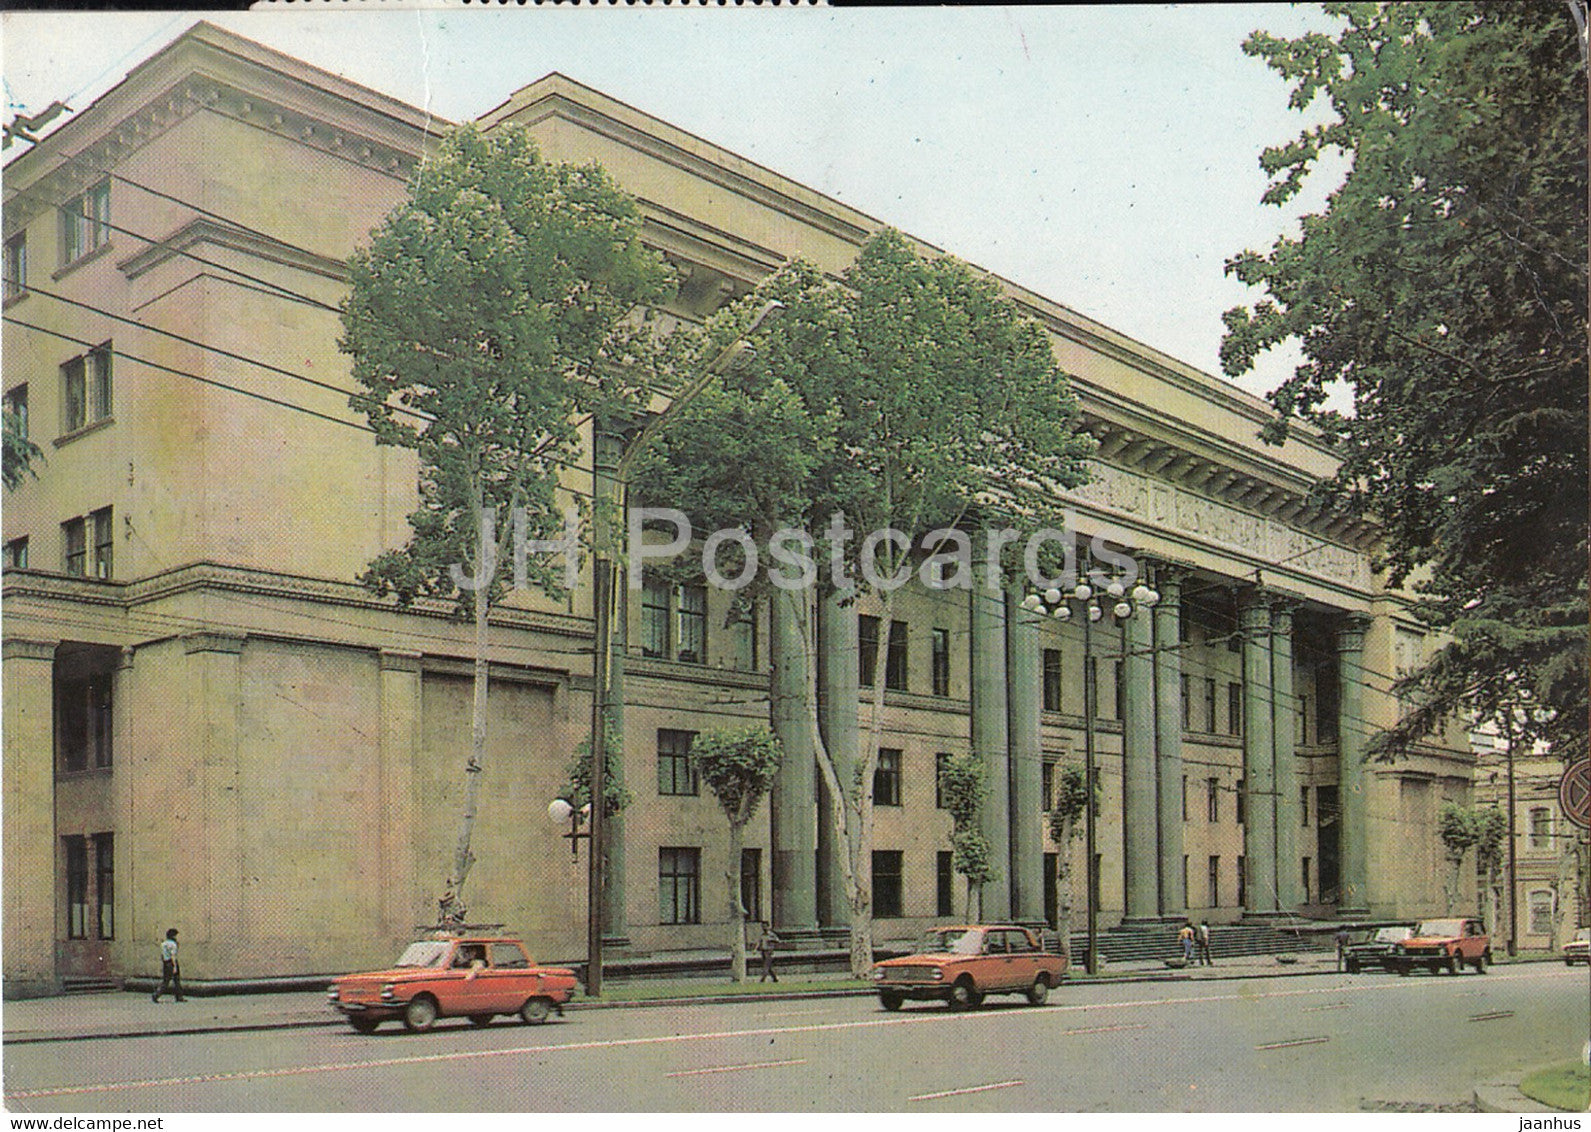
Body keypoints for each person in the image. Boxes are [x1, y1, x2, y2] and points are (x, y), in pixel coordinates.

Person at [152, 928, 184, 1002]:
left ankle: (178, 996)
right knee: (175, 980)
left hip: (166, 962)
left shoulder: (163, 944)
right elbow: (173, 955)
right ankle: (157, 995)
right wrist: (175, 966)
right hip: (171, 962)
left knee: (166, 980)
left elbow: (162, 955)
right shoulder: (173, 944)